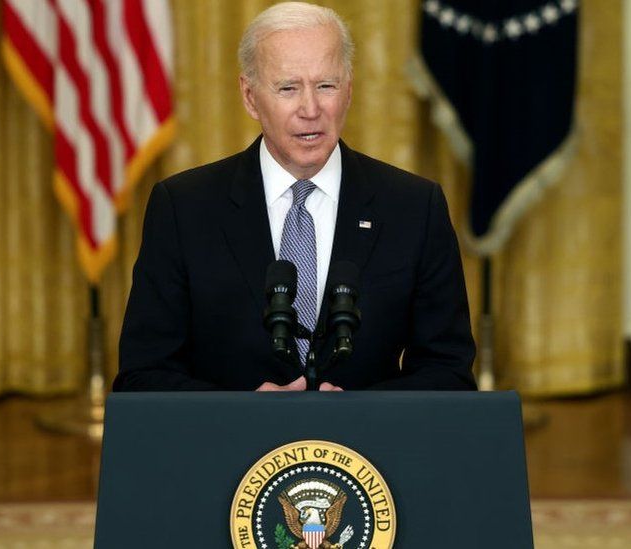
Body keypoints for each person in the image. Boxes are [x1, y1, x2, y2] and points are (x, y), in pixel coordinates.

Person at [114, 2, 475, 392]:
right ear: (250, 97)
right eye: (288, 88)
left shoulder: (414, 207)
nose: (311, 109)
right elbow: (142, 375)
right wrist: (242, 412)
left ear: (349, 91)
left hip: (369, 451)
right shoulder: (183, 208)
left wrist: (360, 414)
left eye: (326, 86)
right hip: (230, 449)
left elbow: (448, 371)